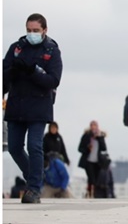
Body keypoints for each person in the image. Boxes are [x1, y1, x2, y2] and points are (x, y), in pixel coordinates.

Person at [2, 13, 63, 204]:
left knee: (34, 145)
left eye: (35, 30)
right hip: (16, 106)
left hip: (39, 107)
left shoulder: (52, 51)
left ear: (44, 30)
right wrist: (11, 72)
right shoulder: (16, 48)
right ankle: (34, 176)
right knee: (13, 147)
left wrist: (33, 71)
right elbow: (2, 81)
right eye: (29, 30)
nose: (31, 33)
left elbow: (53, 80)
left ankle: (34, 189)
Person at [78, 120, 107, 198]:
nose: (93, 127)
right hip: (88, 160)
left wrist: (99, 138)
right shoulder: (86, 136)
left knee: (96, 178)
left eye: (95, 125)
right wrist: (87, 148)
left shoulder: (100, 136)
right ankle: (91, 193)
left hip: (97, 161)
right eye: (92, 125)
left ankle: (92, 193)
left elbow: (104, 148)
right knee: (91, 177)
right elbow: (80, 148)